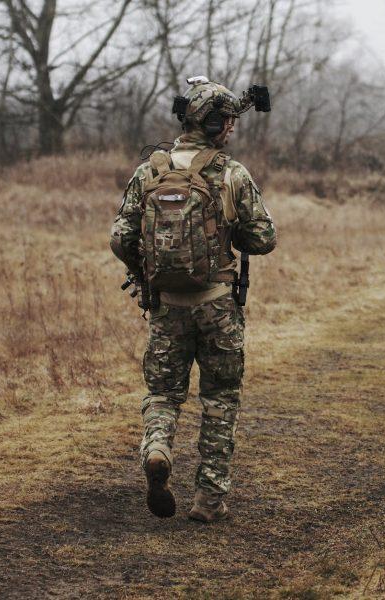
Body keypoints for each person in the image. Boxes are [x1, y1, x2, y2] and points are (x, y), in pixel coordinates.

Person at [109, 77, 276, 522]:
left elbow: (120, 236)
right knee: (220, 399)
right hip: (219, 305)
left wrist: (143, 273)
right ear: (218, 124)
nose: (233, 130)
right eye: (230, 123)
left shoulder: (150, 171)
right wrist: (230, 230)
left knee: (163, 393)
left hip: (166, 306)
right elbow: (263, 239)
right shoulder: (231, 173)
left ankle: (159, 447)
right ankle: (208, 500)